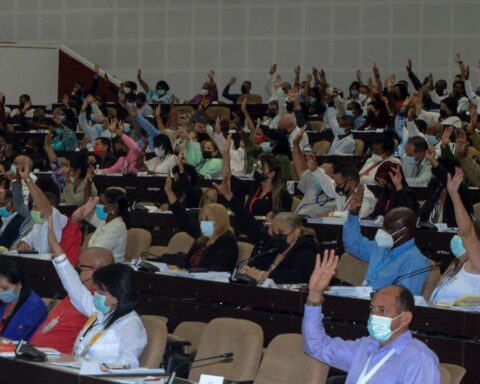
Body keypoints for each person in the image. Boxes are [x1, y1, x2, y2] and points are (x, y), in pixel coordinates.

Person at [303, 250, 441, 383]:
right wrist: (314, 294)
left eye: (382, 311)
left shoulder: (419, 359)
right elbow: (317, 347)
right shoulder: (365, 346)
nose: (374, 315)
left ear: (404, 318)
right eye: (372, 309)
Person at [48, 217, 147, 367]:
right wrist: (55, 247)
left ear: (117, 296)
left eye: (101, 291)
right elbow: (73, 286)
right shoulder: (100, 312)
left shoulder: (130, 324)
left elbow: (128, 364)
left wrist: (85, 366)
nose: (95, 294)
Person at [343, 185, 430, 295]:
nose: (382, 231)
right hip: (363, 300)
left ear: (403, 232)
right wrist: (354, 214)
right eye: (383, 226)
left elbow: (403, 300)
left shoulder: (415, 261)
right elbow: (352, 244)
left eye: (388, 228)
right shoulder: (380, 246)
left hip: (383, 307)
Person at [31, 246, 115, 353]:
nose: (77, 272)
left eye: (81, 268)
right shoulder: (77, 291)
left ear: (98, 272)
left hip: (58, 360)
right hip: (35, 351)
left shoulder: (99, 303)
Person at [164, 173, 238, 272]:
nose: (203, 223)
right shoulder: (203, 236)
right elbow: (183, 218)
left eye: (207, 219)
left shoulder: (227, 241)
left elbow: (216, 271)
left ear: (219, 219)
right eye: (201, 220)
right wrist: (169, 192)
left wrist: (185, 273)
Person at [430, 167, 480, 306]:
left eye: (460, 235)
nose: (458, 237)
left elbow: (467, 232)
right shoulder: (456, 263)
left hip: (460, 323)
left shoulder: (477, 264)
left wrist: (454, 195)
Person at [75, 192, 128, 263]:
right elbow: (85, 214)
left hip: (110, 268)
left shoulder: (118, 227)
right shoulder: (104, 222)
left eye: (101, 203)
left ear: (113, 207)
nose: (98, 206)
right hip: (97, 263)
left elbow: (97, 251)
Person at [0, 260, 46, 341]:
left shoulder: (33, 306)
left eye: (5, 288)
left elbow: (14, 339)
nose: (0, 292)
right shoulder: (6, 301)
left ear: (19, 284)